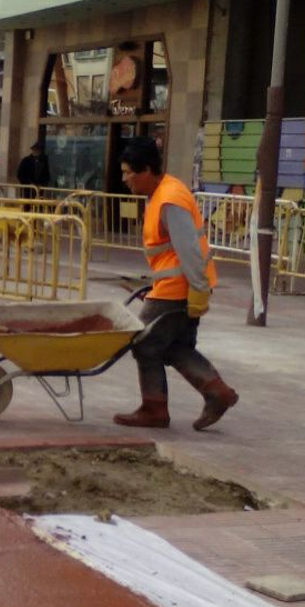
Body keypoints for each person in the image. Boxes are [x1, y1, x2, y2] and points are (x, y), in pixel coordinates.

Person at [114, 136, 238, 430]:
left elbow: (189, 251)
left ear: (146, 170)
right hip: (176, 287)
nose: (124, 179)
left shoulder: (170, 200)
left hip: (179, 289)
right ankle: (217, 392)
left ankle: (154, 409)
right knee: (175, 346)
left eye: (128, 172)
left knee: (145, 345)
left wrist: (197, 290)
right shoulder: (161, 193)